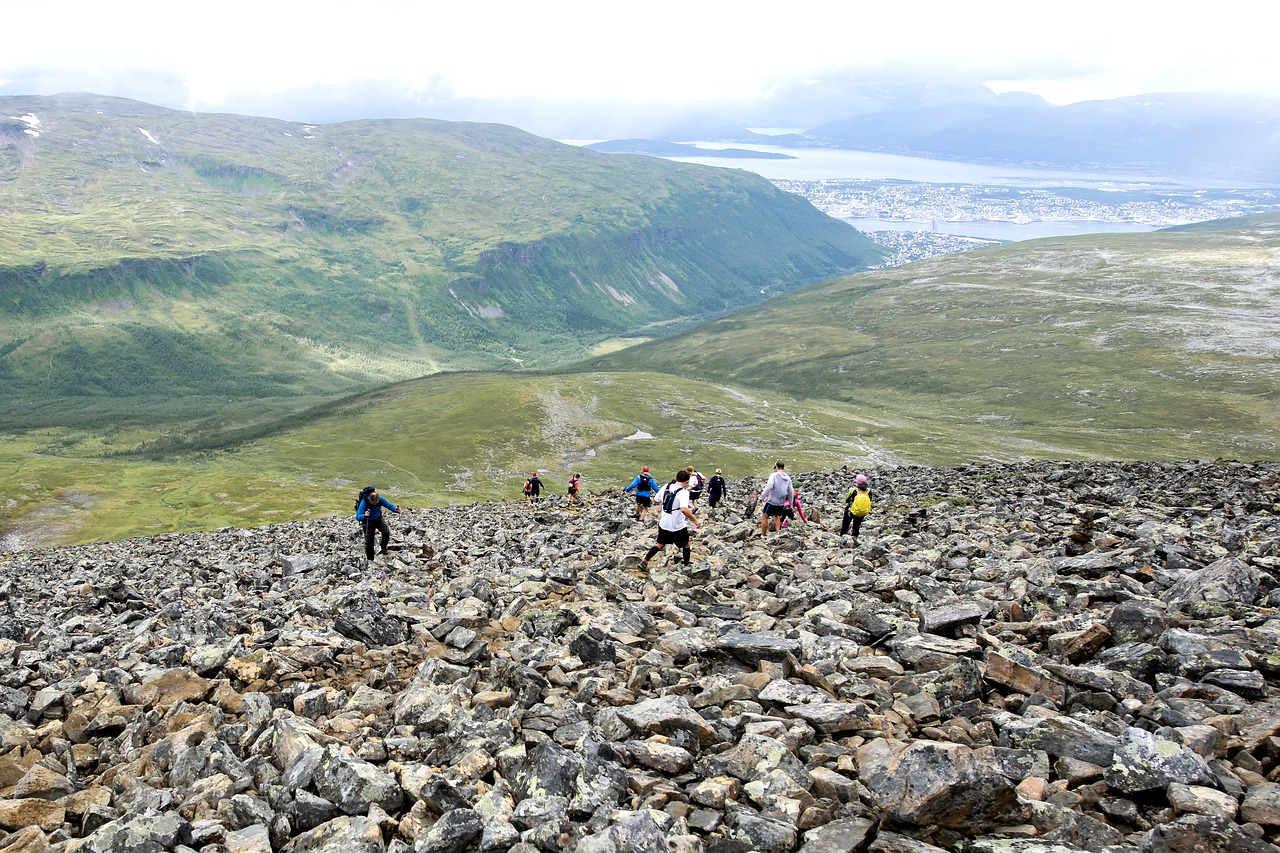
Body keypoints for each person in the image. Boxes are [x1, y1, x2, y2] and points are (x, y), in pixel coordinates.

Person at [642, 469, 700, 569]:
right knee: (686, 544)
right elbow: (684, 509)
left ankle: (644, 561)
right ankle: (686, 564)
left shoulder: (666, 487)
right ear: (686, 481)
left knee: (659, 544)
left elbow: (656, 500)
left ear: (676, 478)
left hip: (664, 523)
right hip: (677, 525)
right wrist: (695, 519)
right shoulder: (684, 493)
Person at [355, 487, 402, 561]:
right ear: (370, 499)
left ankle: (383, 548)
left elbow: (389, 505)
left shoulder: (380, 499)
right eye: (373, 503)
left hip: (378, 518)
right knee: (369, 541)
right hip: (367, 521)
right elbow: (358, 516)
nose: (375, 504)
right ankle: (370, 559)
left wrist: (395, 509)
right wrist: (364, 515)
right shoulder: (364, 502)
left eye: (377, 503)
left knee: (386, 532)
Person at [758, 460, 795, 536]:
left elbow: (769, 486)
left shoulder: (773, 475)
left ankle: (763, 535)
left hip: (772, 500)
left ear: (777, 467)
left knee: (765, 516)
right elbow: (791, 491)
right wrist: (790, 503)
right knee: (776, 516)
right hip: (781, 502)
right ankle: (778, 533)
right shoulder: (788, 478)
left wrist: (761, 498)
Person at [842, 474, 873, 542]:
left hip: (851, 510)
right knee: (856, 526)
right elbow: (870, 500)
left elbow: (847, 500)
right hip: (862, 511)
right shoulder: (869, 491)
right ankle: (855, 539)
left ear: (857, 482)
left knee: (845, 524)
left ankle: (842, 538)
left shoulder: (853, 490)